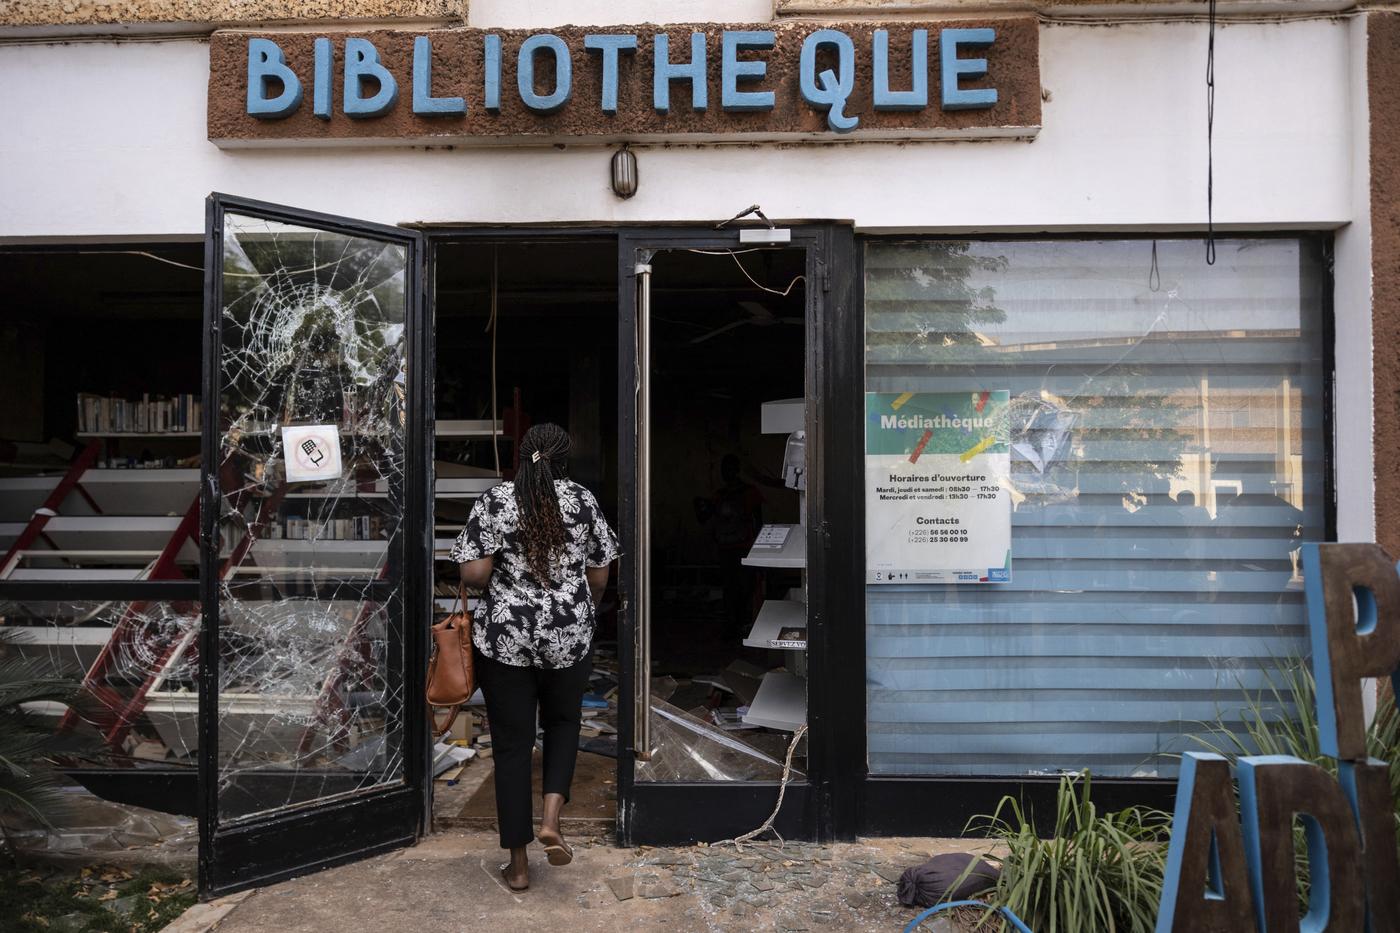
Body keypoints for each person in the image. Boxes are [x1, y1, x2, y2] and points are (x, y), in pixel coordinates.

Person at [450, 423, 619, 892]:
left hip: (506, 639)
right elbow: (601, 573)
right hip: (569, 636)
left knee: (511, 745)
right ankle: (551, 821)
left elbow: (475, 573)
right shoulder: (582, 501)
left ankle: (519, 866)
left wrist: (506, 583)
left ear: (521, 456)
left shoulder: (496, 501)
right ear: (565, 458)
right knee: (564, 724)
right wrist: (578, 602)